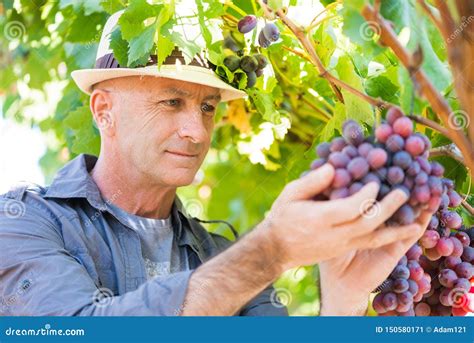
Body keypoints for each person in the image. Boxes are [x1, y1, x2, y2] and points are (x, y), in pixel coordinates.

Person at [0, 11, 434, 316]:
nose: (198, 131)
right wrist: (271, 251)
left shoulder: (221, 256)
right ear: (103, 110)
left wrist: (344, 298)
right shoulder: (23, 223)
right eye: (172, 102)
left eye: (208, 108)